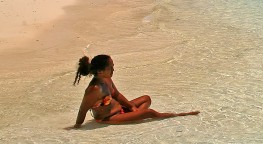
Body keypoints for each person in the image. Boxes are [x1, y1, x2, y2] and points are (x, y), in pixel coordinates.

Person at [70, 54, 198, 128]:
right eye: (111, 68)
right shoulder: (94, 90)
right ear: (100, 71)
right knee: (150, 113)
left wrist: (131, 107)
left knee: (146, 98)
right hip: (110, 117)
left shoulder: (106, 79)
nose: (114, 70)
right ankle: (180, 115)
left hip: (120, 109)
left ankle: (134, 116)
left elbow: (117, 95)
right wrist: (76, 127)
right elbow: (83, 110)